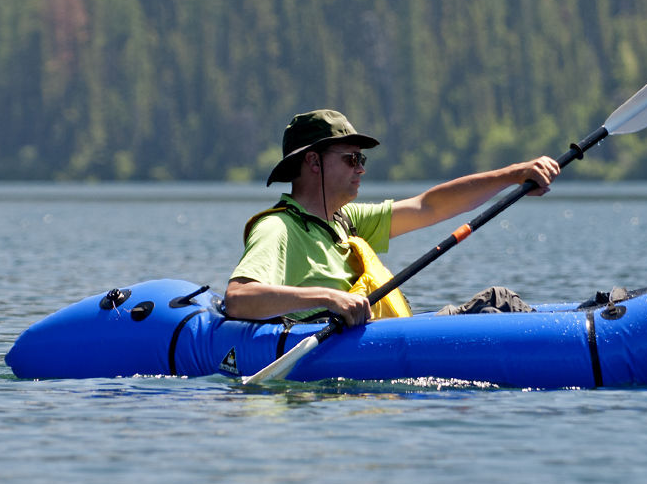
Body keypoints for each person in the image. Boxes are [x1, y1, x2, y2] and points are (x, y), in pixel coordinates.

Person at [225, 109, 559, 326]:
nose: (361, 168)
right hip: (351, 351)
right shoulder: (279, 228)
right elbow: (238, 299)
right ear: (313, 162)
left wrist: (512, 176)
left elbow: (430, 206)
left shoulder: (346, 220)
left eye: (362, 159)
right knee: (497, 302)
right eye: (351, 159)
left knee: (497, 301)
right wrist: (329, 297)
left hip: (387, 338)